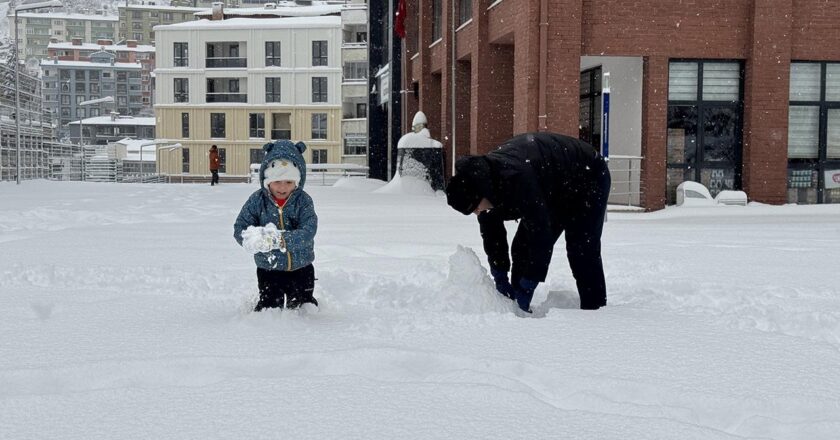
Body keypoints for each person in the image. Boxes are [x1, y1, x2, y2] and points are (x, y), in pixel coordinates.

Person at [445, 132, 611, 313]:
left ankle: (595, 309)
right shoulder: (483, 185)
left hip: (587, 174)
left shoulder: (516, 180)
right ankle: (518, 305)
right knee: (522, 248)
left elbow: (541, 234)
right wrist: (499, 273)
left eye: (475, 207)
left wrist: (530, 281)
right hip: (551, 184)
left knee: (581, 247)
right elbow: (493, 234)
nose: (477, 213)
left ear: (480, 194)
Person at [233, 140, 318, 312]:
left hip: (301, 266)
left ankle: (307, 322)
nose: (282, 187)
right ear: (267, 180)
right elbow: (241, 227)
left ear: (298, 181)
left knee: (303, 306)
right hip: (268, 267)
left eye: (289, 182)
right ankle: (267, 328)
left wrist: (282, 240)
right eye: (277, 181)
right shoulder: (257, 201)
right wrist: (252, 239)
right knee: (270, 305)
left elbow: (309, 230)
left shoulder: (303, 201)